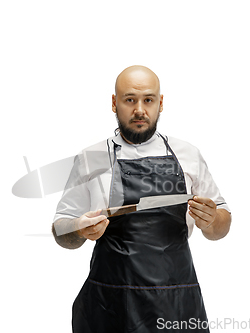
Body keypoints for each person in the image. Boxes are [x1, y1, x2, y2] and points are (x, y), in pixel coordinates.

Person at [52, 65, 232, 332]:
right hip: (110, 305)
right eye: (129, 100)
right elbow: (60, 230)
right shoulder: (92, 158)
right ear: (114, 103)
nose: (139, 109)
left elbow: (221, 226)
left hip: (176, 304)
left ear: (161, 103)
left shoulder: (188, 155)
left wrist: (211, 220)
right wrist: (79, 228)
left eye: (148, 100)